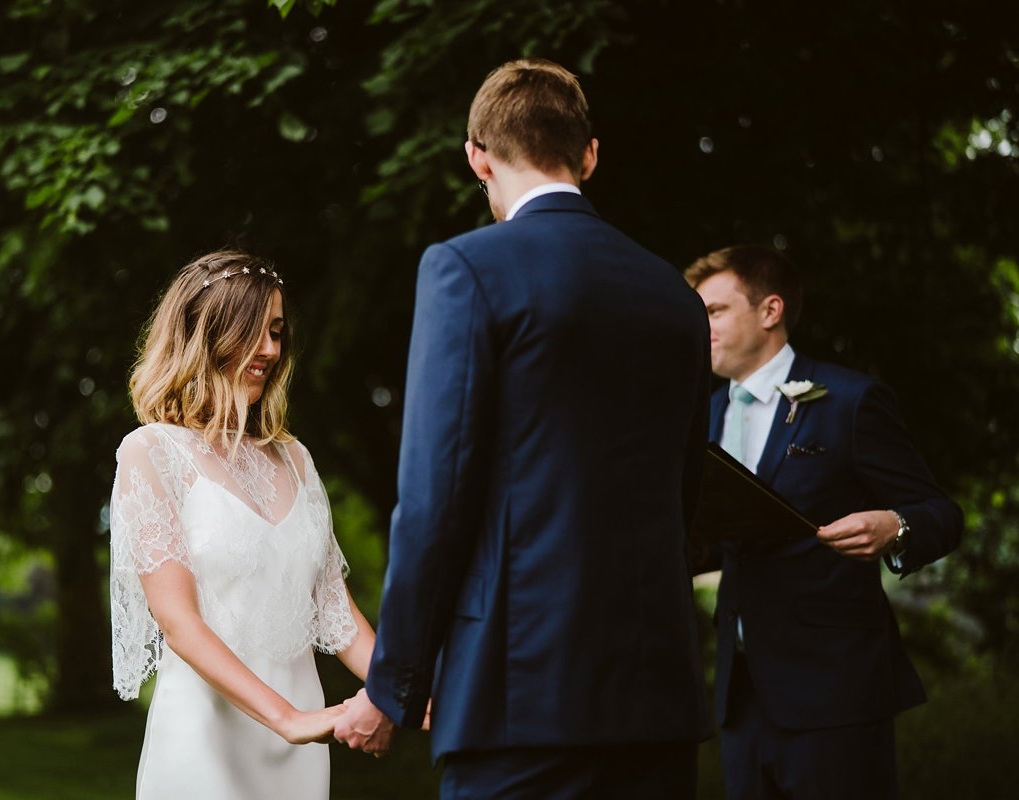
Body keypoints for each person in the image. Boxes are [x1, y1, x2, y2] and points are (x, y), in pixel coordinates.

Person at [335, 59, 713, 798]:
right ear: (590, 154)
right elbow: (685, 491)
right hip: (657, 697)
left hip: (520, 692)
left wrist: (394, 688)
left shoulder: (467, 269)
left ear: (477, 155)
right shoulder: (673, 294)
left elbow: (434, 499)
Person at [685, 244, 963, 799]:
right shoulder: (707, 412)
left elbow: (942, 514)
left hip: (834, 691)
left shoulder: (851, 401)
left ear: (770, 310)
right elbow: (736, 537)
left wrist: (895, 527)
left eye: (714, 311)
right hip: (740, 694)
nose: (701, 326)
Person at [107, 250, 376, 800]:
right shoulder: (152, 452)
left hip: (300, 746)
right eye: (254, 330)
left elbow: (335, 612)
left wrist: (410, 693)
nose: (271, 349)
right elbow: (178, 621)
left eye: (277, 331)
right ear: (204, 333)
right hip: (207, 738)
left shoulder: (296, 459)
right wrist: (287, 719)